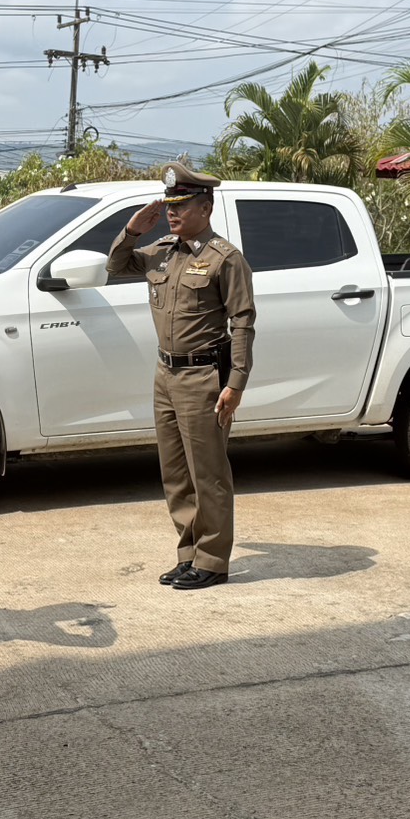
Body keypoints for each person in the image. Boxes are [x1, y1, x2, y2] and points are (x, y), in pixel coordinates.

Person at [107, 162, 255, 590]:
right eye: (169, 206)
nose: (172, 213)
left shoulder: (225, 259)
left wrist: (235, 383)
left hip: (203, 377)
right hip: (165, 374)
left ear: (205, 208)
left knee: (207, 473)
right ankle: (188, 555)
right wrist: (132, 230)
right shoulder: (162, 252)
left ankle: (213, 560)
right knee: (175, 474)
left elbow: (243, 322)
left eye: (182, 205)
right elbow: (116, 265)